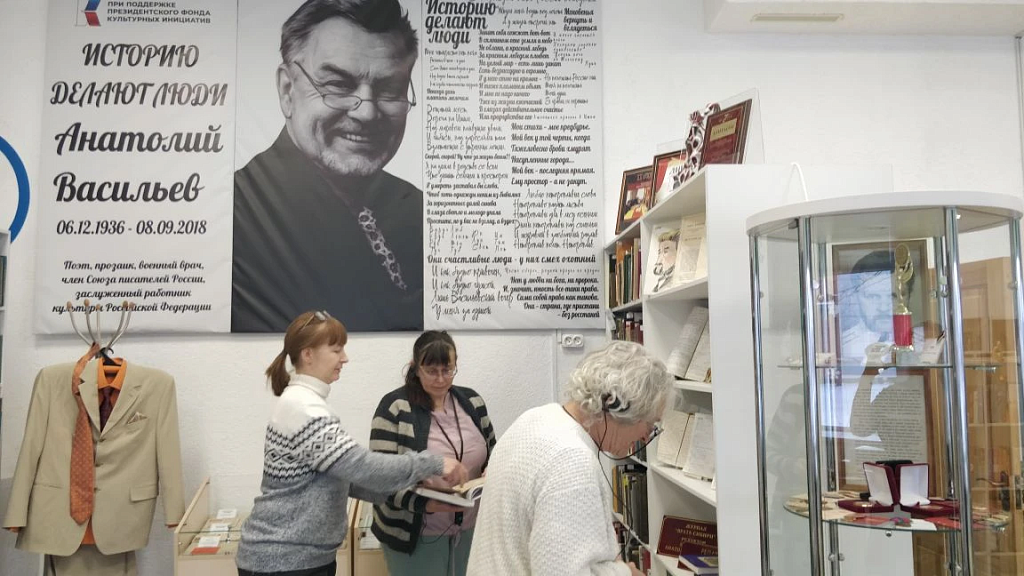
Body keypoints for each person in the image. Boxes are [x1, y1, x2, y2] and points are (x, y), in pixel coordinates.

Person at [233, 0, 423, 333]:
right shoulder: (240, 214)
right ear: (287, 91)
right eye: (338, 84)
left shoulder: (416, 207)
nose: (366, 113)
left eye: (390, 89)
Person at [235, 311, 467, 576]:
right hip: (285, 561)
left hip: (298, 559)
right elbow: (361, 466)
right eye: (336, 350)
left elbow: (347, 477)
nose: (344, 358)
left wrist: (418, 492)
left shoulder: (305, 402)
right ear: (308, 354)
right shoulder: (304, 408)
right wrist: (433, 463)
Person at [467, 341, 671, 576]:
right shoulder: (572, 461)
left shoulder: (534, 418)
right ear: (621, 407)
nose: (646, 436)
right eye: (650, 423)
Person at [369, 331, 496, 576]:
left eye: (447, 370)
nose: (440, 379)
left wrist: (493, 469)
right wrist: (426, 504)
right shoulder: (394, 408)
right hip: (416, 535)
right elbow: (379, 479)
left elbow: (493, 451)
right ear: (415, 368)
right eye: (431, 371)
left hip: (470, 530)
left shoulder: (472, 401)